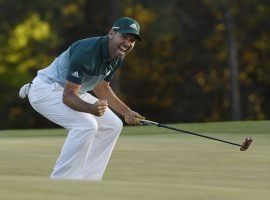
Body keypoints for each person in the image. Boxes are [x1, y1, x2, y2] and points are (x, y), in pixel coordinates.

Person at [19, 17, 144, 181]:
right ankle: (61, 181)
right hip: (45, 90)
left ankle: (89, 181)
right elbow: (68, 97)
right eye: (124, 37)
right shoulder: (86, 52)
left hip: (71, 91)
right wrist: (91, 109)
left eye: (132, 40)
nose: (127, 43)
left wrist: (127, 112)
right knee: (86, 125)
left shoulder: (117, 57)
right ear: (112, 33)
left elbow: (101, 87)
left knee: (113, 125)